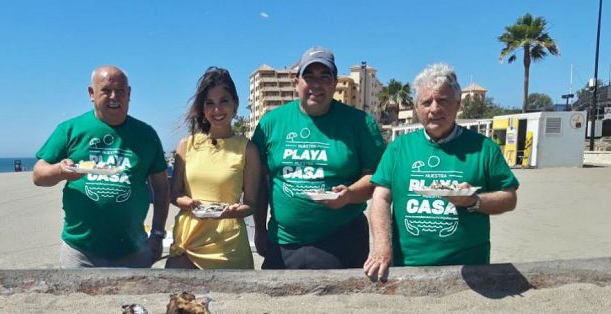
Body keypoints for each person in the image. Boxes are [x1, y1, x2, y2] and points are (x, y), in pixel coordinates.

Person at [364, 63, 519, 280]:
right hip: (407, 266)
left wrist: (473, 201)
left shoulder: (484, 148)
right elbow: (380, 198)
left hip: (469, 267)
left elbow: (509, 198)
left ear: (457, 104)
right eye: (426, 102)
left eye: (443, 101)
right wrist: (381, 247)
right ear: (417, 108)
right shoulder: (399, 148)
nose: (434, 109)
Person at [252, 47, 387, 269]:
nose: (316, 84)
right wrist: (259, 229)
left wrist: (348, 195)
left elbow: (376, 178)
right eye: (309, 76)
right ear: (296, 82)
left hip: (342, 238)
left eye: (324, 77)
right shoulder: (271, 123)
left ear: (334, 83)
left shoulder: (360, 123)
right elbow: (260, 183)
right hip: (284, 241)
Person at [33, 65, 169, 268]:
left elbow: (161, 188)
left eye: (120, 91)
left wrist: (157, 234)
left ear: (129, 94)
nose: (114, 97)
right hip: (79, 252)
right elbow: (38, 174)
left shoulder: (146, 135)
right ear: (91, 93)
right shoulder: (70, 129)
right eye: (106, 90)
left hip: (133, 250)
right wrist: (60, 170)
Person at [166, 67, 261, 269]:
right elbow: (174, 194)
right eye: (210, 103)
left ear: (235, 104)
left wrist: (231, 212)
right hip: (188, 241)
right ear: (203, 108)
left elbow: (251, 204)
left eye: (223, 101)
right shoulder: (186, 145)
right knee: (178, 300)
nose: (217, 110)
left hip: (229, 246)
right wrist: (189, 203)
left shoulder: (248, 149)